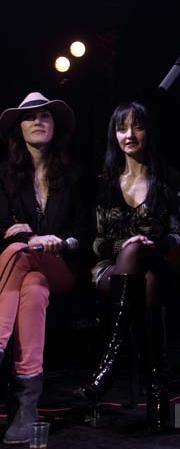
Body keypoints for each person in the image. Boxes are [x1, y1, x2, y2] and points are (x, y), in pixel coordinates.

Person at [78, 100, 180, 431]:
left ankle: (108, 369)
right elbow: (94, 242)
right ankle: (158, 394)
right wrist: (122, 246)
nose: (129, 134)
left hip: (158, 262)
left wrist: (158, 244)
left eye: (136, 126)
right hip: (109, 271)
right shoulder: (104, 182)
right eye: (121, 127)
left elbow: (178, 235)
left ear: (148, 131)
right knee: (140, 269)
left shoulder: (167, 178)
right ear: (114, 135)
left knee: (148, 266)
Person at [0, 91, 89, 444]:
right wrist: (16, 234)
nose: (38, 121)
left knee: (25, 255)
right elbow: (4, 227)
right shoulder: (4, 176)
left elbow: (85, 233)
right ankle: (27, 406)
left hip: (62, 265)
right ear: (18, 130)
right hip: (22, 266)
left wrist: (59, 241)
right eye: (30, 116)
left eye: (45, 116)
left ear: (55, 126)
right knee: (32, 285)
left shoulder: (76, 175)